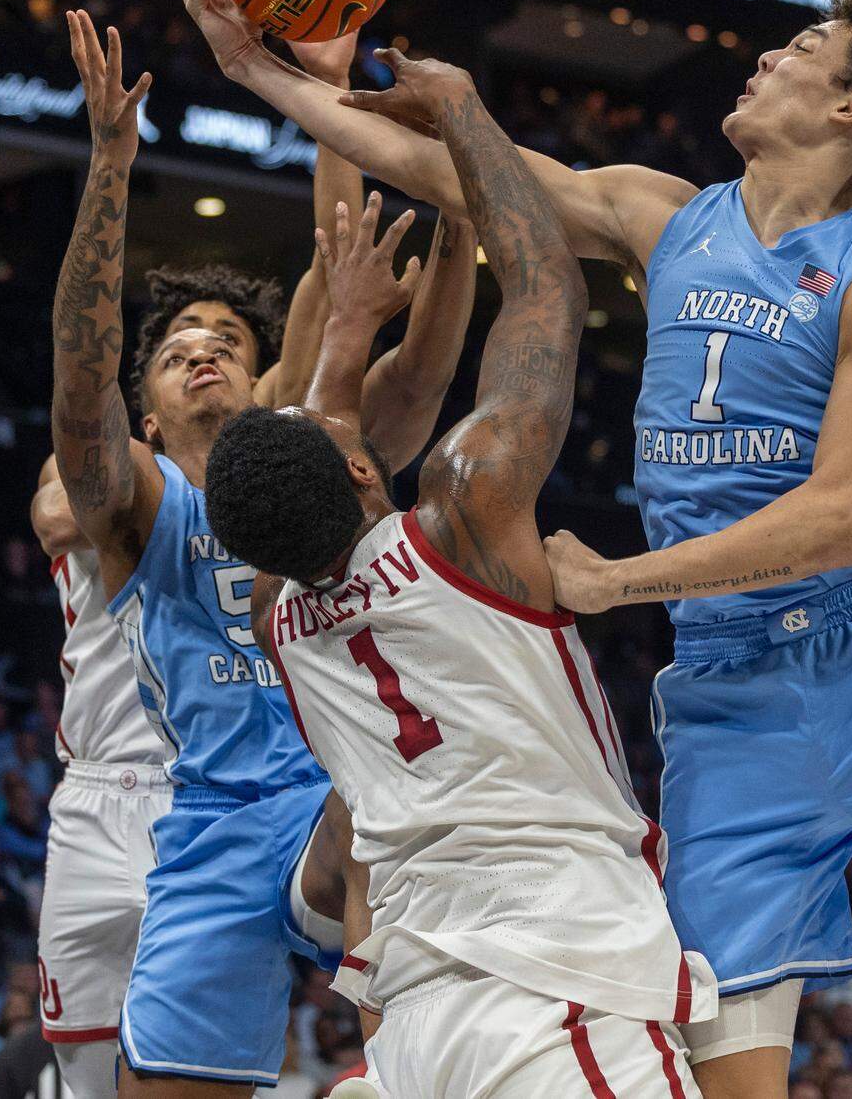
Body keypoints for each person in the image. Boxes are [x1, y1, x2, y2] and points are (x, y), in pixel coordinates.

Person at [177, 0, 852, 1099]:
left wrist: (613, 583)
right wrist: (258, 72)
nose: (766, 58)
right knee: (722, 1063)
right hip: (727, 694)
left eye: (804, 47)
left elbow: (845, 514)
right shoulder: (664, 214)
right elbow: (463, 181)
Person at [204, 54, 717, 1097]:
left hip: (419, 1010)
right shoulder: (466, 511)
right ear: (360, 467)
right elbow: (546, 283)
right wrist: (463, 113)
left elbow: (327, 447)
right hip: (556, 978)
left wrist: (345, 334)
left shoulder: (276, 617)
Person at [50, 11, 473, 1095]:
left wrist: (329, 93)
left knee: (381, 797)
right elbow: (79, 362)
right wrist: (110, 165)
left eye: (225, 346)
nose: (202, 357)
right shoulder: (139, 508)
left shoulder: (311, 450)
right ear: (142, 417)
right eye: (178, 352)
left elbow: (343, 279)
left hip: (336, 805)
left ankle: (403, 1060)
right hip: (209, 819)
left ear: (262, 381)